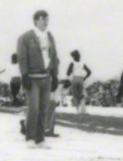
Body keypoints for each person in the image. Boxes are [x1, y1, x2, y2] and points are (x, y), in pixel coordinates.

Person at [17, 9, 59, 148]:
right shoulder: (25, 37)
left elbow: (54, 57)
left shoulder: (49, 36)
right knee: (33, 108)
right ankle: (30, 137)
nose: (45, 22)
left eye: (47, 19)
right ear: (36, 20)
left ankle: (40, 139)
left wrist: (55, 75)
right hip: (32, 77)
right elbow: (22, 58)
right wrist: (24, 75)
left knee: (44, 108)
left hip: (46, 78)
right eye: (42, 19)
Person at [67, 50, 92, 114]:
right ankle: (83, 110)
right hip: (81, 79)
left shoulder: (72, 63)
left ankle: (77, 110)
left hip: (74, 79)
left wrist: (71, 72)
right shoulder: (82, 64)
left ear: (73, 57)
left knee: (75, 95)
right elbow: (89, 72)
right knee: (81, 95)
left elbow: (68, 73)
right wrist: (84, 78)